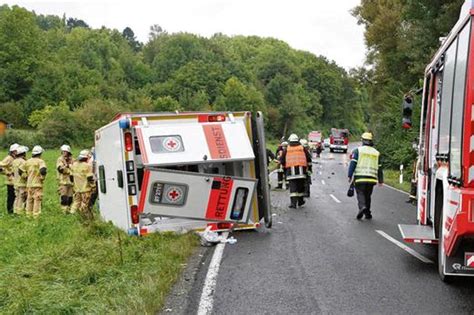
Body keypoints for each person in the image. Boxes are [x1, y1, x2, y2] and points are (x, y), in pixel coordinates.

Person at [348, 132, 383, 220]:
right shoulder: (376, 153)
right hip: (372, 179)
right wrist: (381, 180)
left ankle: (362, 207)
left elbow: (353, 163)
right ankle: (367, 213)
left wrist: (349, 175)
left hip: (360, 177)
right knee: (368, 195)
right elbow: (379, 167)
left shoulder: (358, 151)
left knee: (360, 193)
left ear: (363, 140)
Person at [281, 134, 312, 208]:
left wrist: (285, 168)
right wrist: (309, 169)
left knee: (293, 188)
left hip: (291, 172)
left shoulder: (287, 149)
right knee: (300, 187)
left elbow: (282, 160)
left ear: (290, 140)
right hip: (302, 172)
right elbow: (309, 159)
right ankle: (300, 201)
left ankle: (293, 204)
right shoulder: (302, 148)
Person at [22, 145, 47, 218]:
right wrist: (42, 178)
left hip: (29, 184)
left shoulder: (28, 161)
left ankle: (28, 215)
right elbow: (43, 170)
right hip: (37, 184)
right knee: (37, 200)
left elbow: (20, 170)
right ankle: (36, 216)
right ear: (40, 153)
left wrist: (26, 177)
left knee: (29, 200)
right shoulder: (40, 161)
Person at [71, 150, 96, 221]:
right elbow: (90, 178)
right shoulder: (87, 166)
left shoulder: (74, 165)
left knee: (76, 203)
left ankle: (72, 216)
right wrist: (93, 186)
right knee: (84, 204)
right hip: (85, 189)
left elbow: (71, 176)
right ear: (87, 157)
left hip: (77, 189)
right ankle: (84, 219)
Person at [0, 143, 19, 214]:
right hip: (10, 181)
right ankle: (10, 211)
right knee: (11, 197)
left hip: (16, 180)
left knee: (16, 196)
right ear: (13, 151)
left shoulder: (15, 158)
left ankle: (15, 210)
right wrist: (6, 172)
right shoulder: (9, 158)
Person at [57, 144, 74, 213]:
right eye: (63, 151)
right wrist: (68, 168)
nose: (64, 153)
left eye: (65, 151)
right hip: (63, 181)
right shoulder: (60, 159)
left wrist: (68, 167)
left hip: (71, 181)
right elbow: (60, 169)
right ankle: (64, 210)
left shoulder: (72, 159)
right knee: (64, 197)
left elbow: (74, 168)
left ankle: (69, 209)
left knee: (70, 197)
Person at [12, 146, 28, 214]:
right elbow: (25, 172)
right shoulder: (23, 162)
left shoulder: (14, 161)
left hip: (15, 182)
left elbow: (13, 172)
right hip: (22, 182)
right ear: (23, 153)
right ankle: (20, 212)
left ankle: (15, 210)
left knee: (16, 197)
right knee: (22, 198)